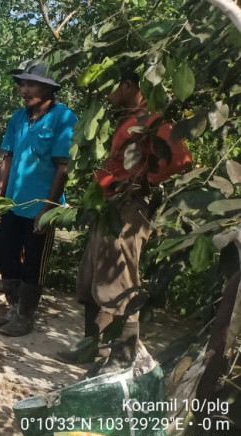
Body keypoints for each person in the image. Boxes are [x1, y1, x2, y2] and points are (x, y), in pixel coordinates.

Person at [58, 69, 191, 372]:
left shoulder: (152, 121)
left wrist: (144, 183)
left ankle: (121, 357)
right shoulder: (129, 118)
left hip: (128, 211)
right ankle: (91, 346)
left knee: (120, 283)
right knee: (93, 277)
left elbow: (182, 161)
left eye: (111, 86)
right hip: (108, 207)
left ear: (128, 85)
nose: (106, 94)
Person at [0, 60, 77, 337]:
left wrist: (48, 208)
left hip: (41, 207)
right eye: (22, 84)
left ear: (49, 89)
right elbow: (8, 158)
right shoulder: (18, 118)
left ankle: (25, 317)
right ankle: (13, 309)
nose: (24, 90)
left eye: (31, 84)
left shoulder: (63, 118)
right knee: (2, 255)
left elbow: (63, 167)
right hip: (13, 204)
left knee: (33, 265)